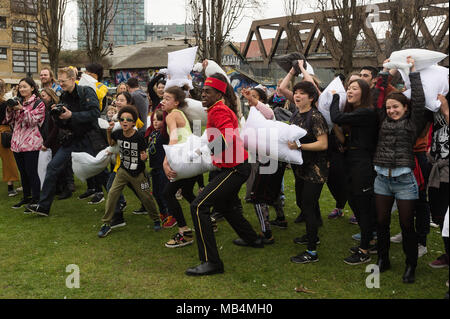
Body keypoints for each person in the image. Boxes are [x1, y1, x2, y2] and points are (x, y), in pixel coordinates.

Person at [186, 73, 264, 276]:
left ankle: (211, 262)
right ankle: (252, 238)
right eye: (202, 91)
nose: (203, 94)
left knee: (199, 206)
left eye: (207, 91)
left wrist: (205, 150)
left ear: (219, 93)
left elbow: (228, 137)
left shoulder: (219, 110)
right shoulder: (215, 109)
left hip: (236, 168)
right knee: (225, 205)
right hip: (235, 165)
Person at [372, 57, 428, 283]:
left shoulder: (413, 123)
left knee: (407, 224)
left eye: (396, 107)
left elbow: (419, 100)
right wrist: (385, 71)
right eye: (389, 107)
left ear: (405, 108)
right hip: (381, 180)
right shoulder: (382, 120)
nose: (392, 110)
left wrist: (413, 72)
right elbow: (377, 97)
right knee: (382, 221)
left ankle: (410, 265)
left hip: (404, 181)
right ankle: (383, 259)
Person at [27, 67, 100, 216]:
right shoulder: (64, 96)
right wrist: (57, 116)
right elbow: (64, 123)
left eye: (63, 81)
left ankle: (119, 203)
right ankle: (43, 207)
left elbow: (94, 113)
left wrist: (72, 115)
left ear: (72, 79)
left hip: (90, 138)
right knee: (53, 167)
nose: (60, 84)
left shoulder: (86, 91)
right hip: (72, 138)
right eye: (59, 81)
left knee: (101, 172)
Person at [330, 77, 379, 265]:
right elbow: (344, 138)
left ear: (364, 93)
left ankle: (364, 250)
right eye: (348, 88)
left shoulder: (367, 112)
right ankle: (371, 241)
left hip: (363, 164)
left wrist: (334, 98)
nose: (349, 91)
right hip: (351, 160)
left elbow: (336, 117)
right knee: (354, 201)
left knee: (363, 205)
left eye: (354, 88)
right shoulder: (358, 113)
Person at [97, 106, 160, 237]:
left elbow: (144, 154)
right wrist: (108, 132)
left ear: (133, 122)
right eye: (122, 119)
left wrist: (144, 157)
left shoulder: (138, 137)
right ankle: (106, 223)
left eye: (128, 119)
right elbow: (112, 144)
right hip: (123, 171)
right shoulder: (118, 133)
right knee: (112, 194)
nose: (125, 121)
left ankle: (156, 219)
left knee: (146, 196)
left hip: (139, 174)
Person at [286, 81, 328, 264]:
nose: (297, 95)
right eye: (296, 92)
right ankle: (313, 235)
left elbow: (323, 143)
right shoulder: (296, 113)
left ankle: (312, 252)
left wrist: (299, 146)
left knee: (309, 208)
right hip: (301, 167)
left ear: (311, 98)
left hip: (315, 170)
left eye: (302, 93)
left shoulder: (316, 116)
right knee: (302, 203)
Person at [242, 87, 286, 243]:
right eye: (249, 97)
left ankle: (266, 233)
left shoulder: (265, 111)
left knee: (258, 197)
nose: (250, 99)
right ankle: (281, 219)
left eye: (255, 97)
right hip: (267, 157)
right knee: (273, 192)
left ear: (262, 99)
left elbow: (269, 114)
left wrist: (253, 101)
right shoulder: (253, 114)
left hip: (269, 159)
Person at [162, 86, 198, 248]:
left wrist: (166, 161)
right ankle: (209, 220)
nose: (163, 101)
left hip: (184, 159)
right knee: (188, 192)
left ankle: (185, 232)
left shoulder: (172, 115)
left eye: (168, 98)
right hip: (193, 158)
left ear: (176, 102)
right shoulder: (180, 113)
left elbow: (174, 139)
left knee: (168, 193)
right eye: (163, 97)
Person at [5, 78, 45, 211]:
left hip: (31, 143)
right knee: (23, 172)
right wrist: (10, 109)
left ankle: (36, 199)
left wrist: (21, 109)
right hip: (17, 143)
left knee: (31, 172)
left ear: (32, 88)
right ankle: (26, 197)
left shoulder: (39, 103)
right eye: (20, 87)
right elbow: (8, 120)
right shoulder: (18, 101)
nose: (21, 89)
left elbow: (34, 121)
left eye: (24, 87)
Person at [427, 91, 449, 269]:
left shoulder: (444, 106)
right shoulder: (436, 100)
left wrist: (447, 111)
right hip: (435, 165)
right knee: (439, 213)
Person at [40, 88, 73, 200]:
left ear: (50, 96)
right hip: (51, 140)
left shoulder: (54, 108)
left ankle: (66, 189)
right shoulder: (45, 108)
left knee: (61, 166)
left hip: (57, 140)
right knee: (55, 166)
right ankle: (59, 188)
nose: (42, 98)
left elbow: (56, 128)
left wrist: (47, 142)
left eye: (44, 96)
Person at [147, 109, 171, 225]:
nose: (156, 122)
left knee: (164, 192)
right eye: (154, 120)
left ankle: (171, 214)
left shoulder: (164, 133)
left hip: (163, 167)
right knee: (156, 192)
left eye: (159, 119)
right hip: (154, 167)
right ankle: (163, 212)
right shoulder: (152, 133)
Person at [0, 79, 20, 197]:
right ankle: (10, 187)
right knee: (8, 160)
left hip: (3, 131)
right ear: (3, 88)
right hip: (4, 132)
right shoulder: (5, 103)